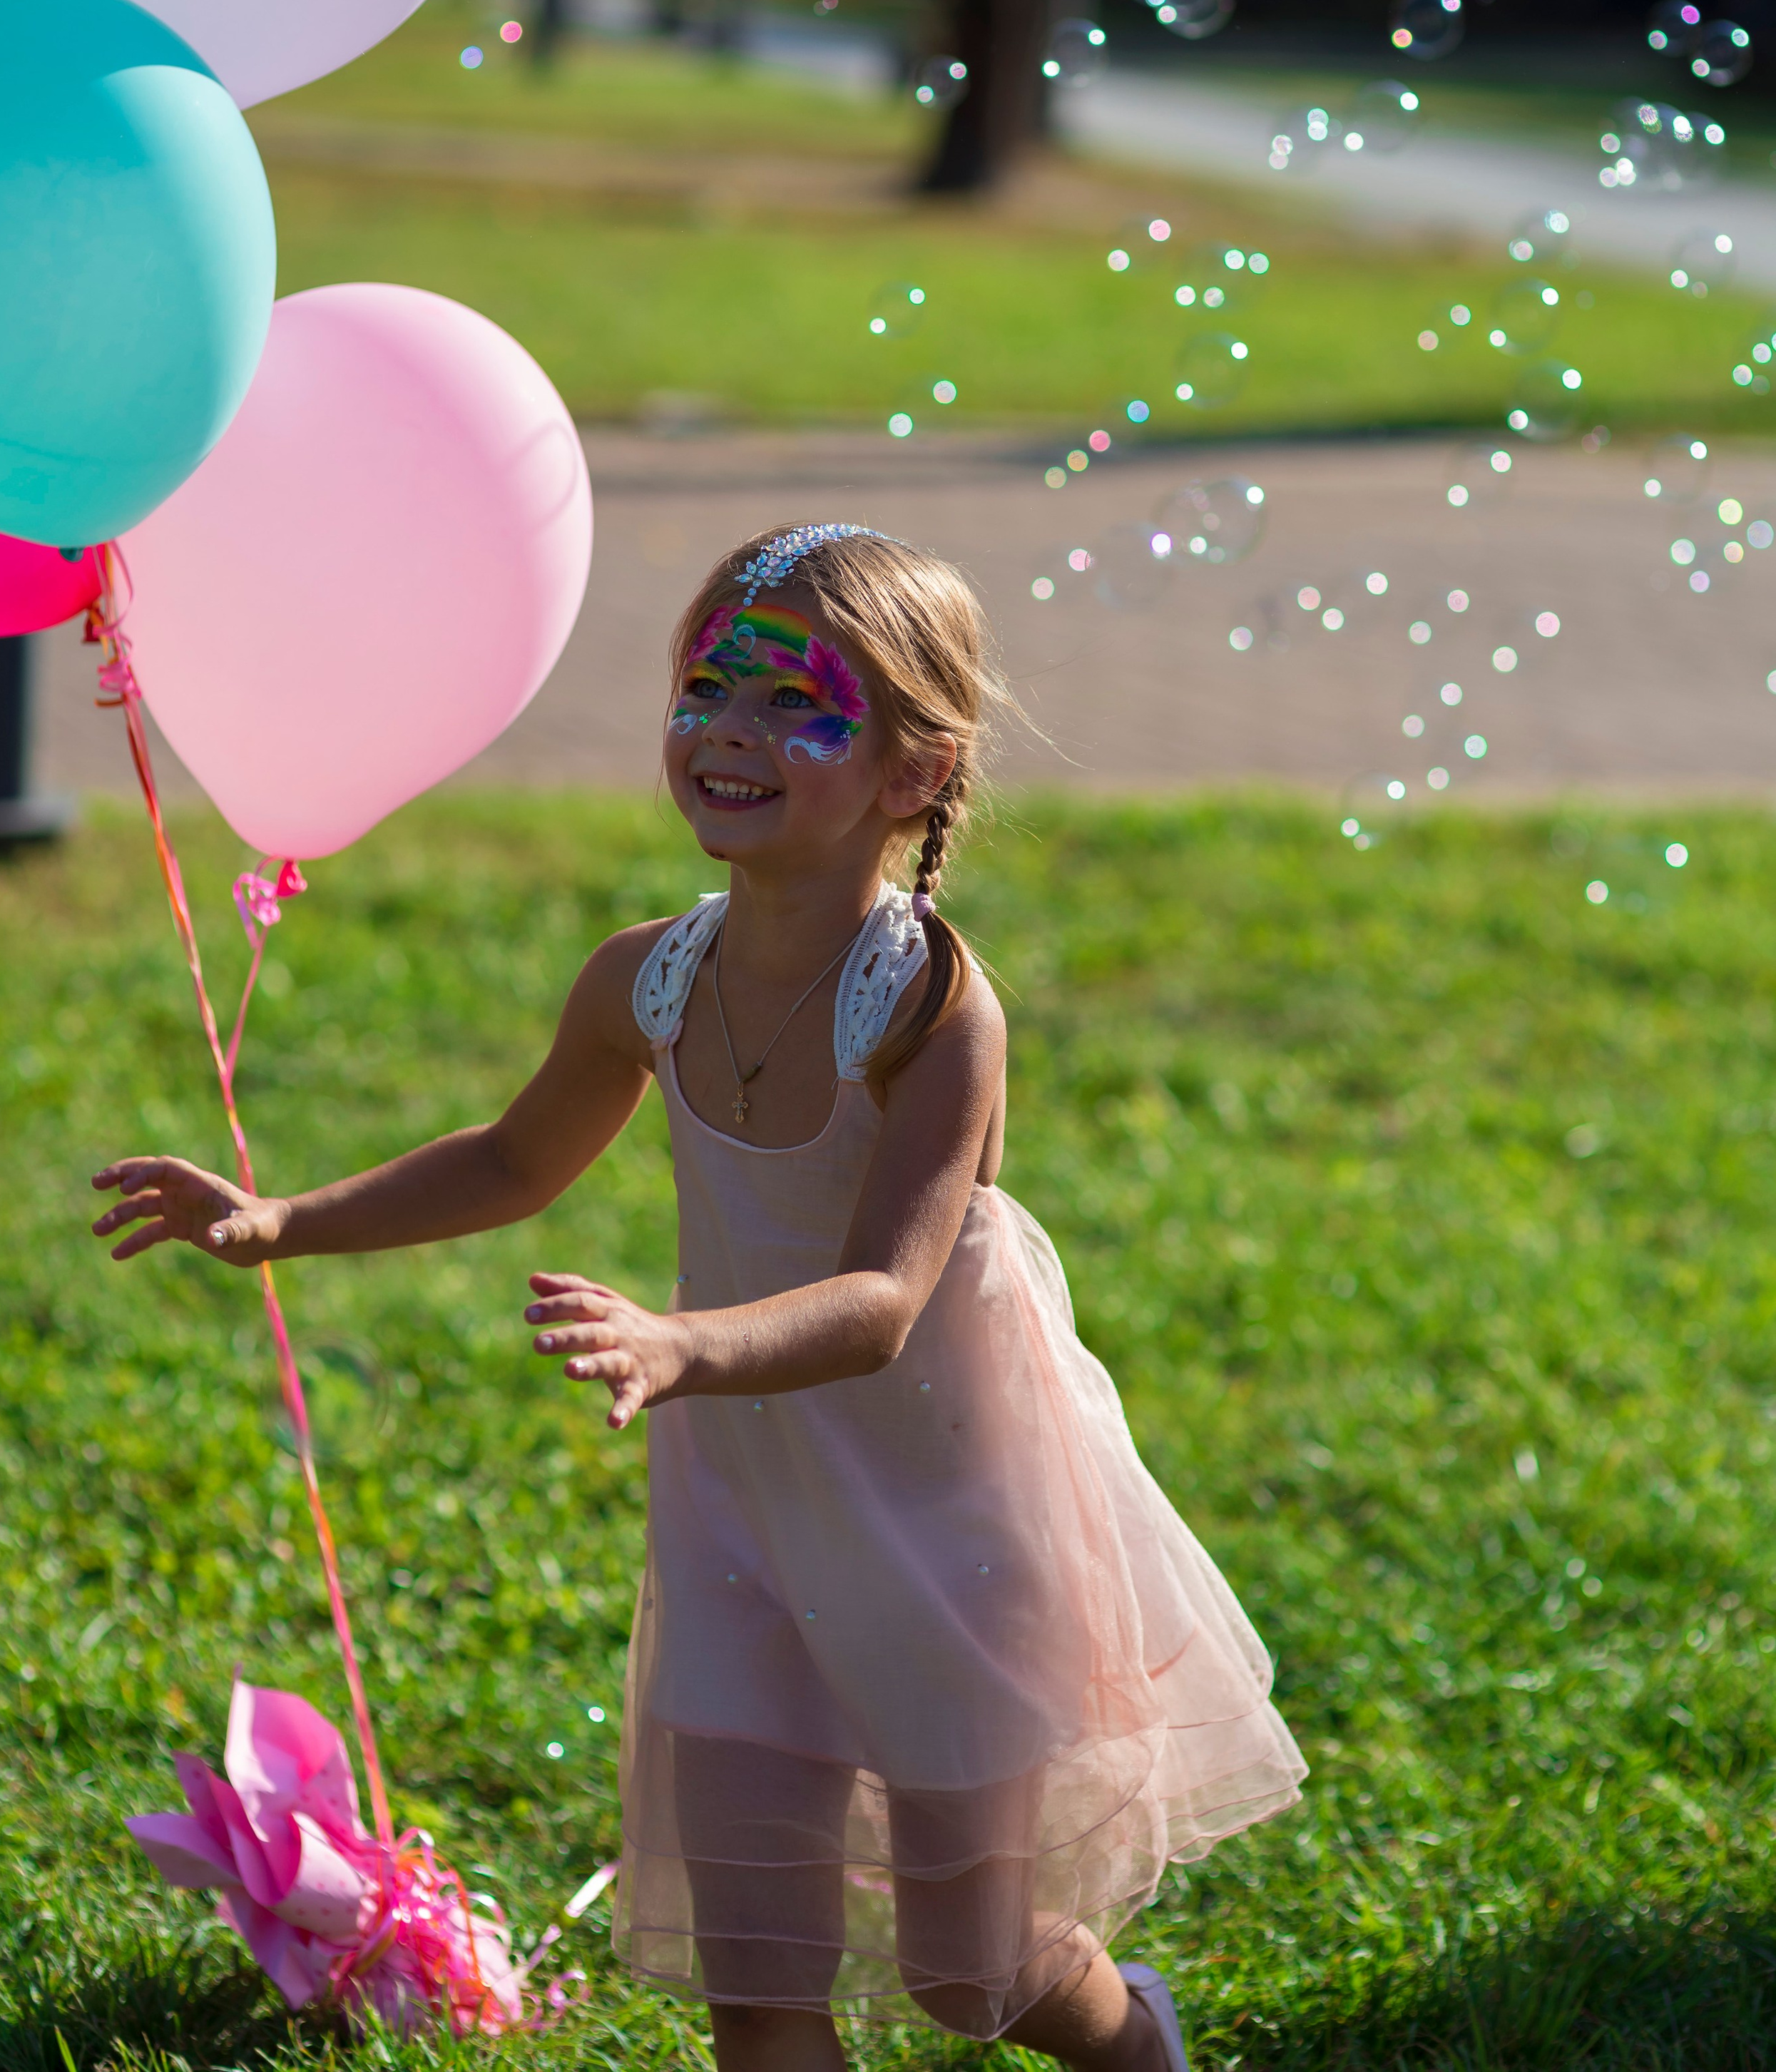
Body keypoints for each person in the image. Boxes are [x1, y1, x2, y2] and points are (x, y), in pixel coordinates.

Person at [91, 521, 1306, 2072]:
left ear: (914, 772)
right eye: (704, 688)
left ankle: (1135, 2043)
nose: (728, 732)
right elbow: (515, 1154)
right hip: (739, 1498)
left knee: (968, 1965)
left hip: (944, 1508)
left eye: (797, 702)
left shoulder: (931, 1004)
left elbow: (878, 1295)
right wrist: (275, 1221)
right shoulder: (643, 978)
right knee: (759, 1968)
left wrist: (679, 1341)